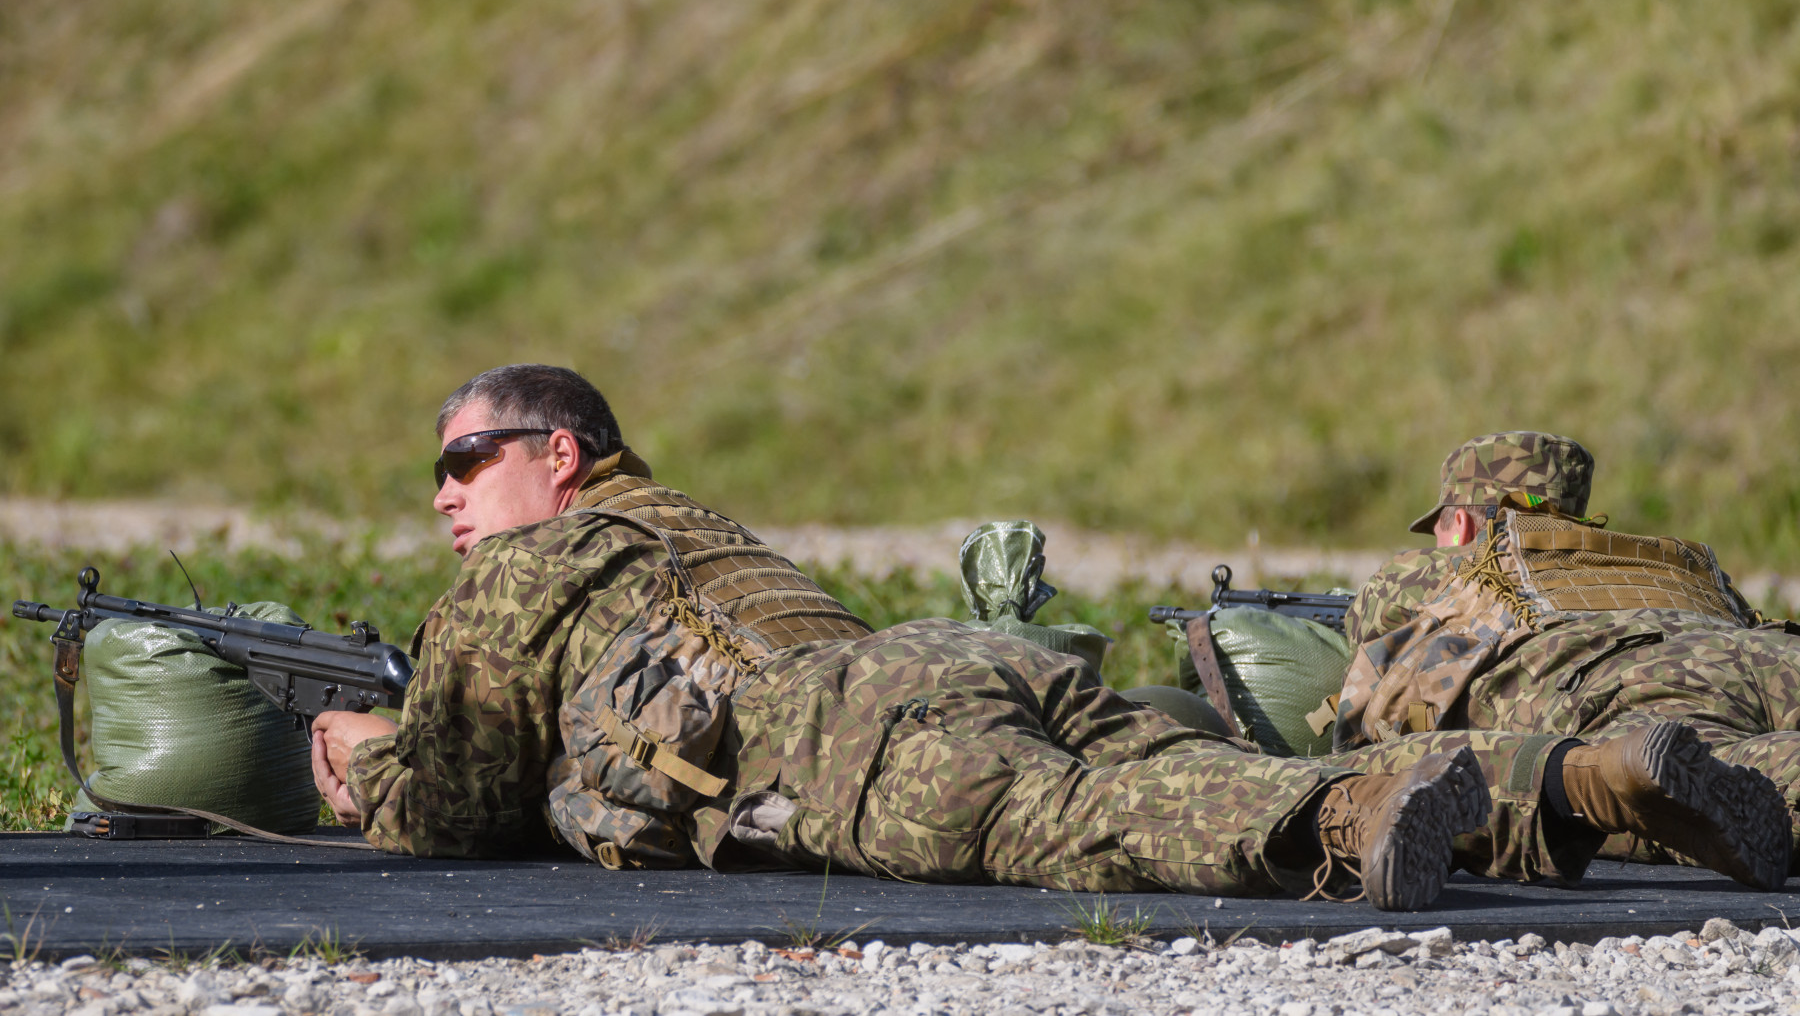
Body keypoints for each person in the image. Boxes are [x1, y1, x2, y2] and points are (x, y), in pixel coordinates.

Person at [311, 370, 1786, 906]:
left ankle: (1360, 809)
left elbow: (453, 813)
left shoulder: (525, 574)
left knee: (1100, 821)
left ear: (558, 456)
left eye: (464, 460)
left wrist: (361, 762)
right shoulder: (699, 530)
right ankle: (1583, 779)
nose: (444, 496)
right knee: (1135, 760)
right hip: (952, 663)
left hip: (852, 730)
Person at [1335, 430, 1797, 880]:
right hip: (1769, 653)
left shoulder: (1442, 564)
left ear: (1460, 525)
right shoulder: (1649, 560)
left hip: (1629, 679)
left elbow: (1358, 642)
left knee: (1692, 794)